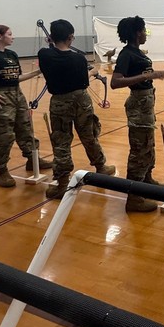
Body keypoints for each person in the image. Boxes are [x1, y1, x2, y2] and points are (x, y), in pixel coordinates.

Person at [111, 16, 164, 213]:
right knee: (139, 150)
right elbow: (115, 82)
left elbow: (150, 74)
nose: (145, 34)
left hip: (146, 104)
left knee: (148, 146)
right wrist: (144, 76)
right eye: (143, 30)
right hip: (138, 105)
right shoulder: (127, 54)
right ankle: (134, 199)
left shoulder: (137, 53)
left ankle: (146, 181)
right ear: (136, 33)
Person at [38, 19, 115, 199]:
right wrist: (93, 72)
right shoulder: (78, 58)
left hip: (59, 102)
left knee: (61, 141)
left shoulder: (44, 55)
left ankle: (62, 183)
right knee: (89, 135)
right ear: (71, 37)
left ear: (51, 37)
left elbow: (52, 54)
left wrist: (52, 42)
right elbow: (83, 79)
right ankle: (100, 166)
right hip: (81, 100)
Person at [0, 24, 53, 187]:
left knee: (25, 129)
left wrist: (38, 72)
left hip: (17, 96)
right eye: (9, 34)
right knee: (2, 136)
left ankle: (32, 160)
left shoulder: (11, 54)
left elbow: (17, 78)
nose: (12, 37)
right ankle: (1, 170)